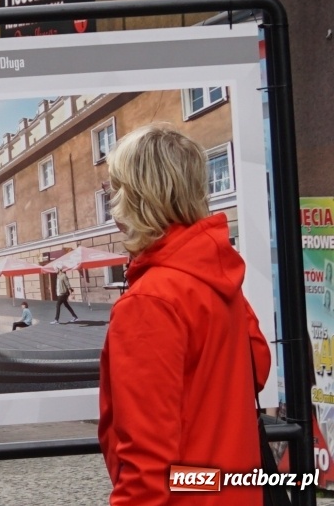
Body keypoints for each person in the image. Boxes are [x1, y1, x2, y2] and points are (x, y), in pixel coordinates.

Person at [98, 125, 271, 505]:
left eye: (114, 189)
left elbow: (149, 465)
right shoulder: (216, 271)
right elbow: (258, 365)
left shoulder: (149, 301)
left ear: (135, 196)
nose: (112, 203)